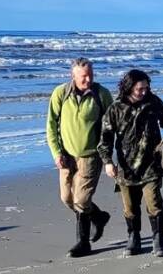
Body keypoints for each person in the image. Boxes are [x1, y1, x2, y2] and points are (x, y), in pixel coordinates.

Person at [98, 69, 163, 257]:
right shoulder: (116, 108)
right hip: (126, 168)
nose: (144, 91)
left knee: (154, 202)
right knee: (130, 207)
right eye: (140, 89)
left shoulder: (152, 101)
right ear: (129, 87)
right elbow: (105, 138)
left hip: (151, 163)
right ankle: (133, 238)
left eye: (146, 87)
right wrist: (107, 162)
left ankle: (158, 240)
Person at [46, 57, 114, 257]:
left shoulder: (101, 94)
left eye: (91, 75)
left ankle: (83, 243)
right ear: (73, 76)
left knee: (82, 200)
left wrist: (108, 155)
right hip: (66, 157)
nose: (88, 79)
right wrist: (56, 153)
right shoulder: (60, 93)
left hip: (91, 156)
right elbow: (51, 125)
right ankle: (99, 217)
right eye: (83, 76)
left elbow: (111, 125)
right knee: (67, 198)